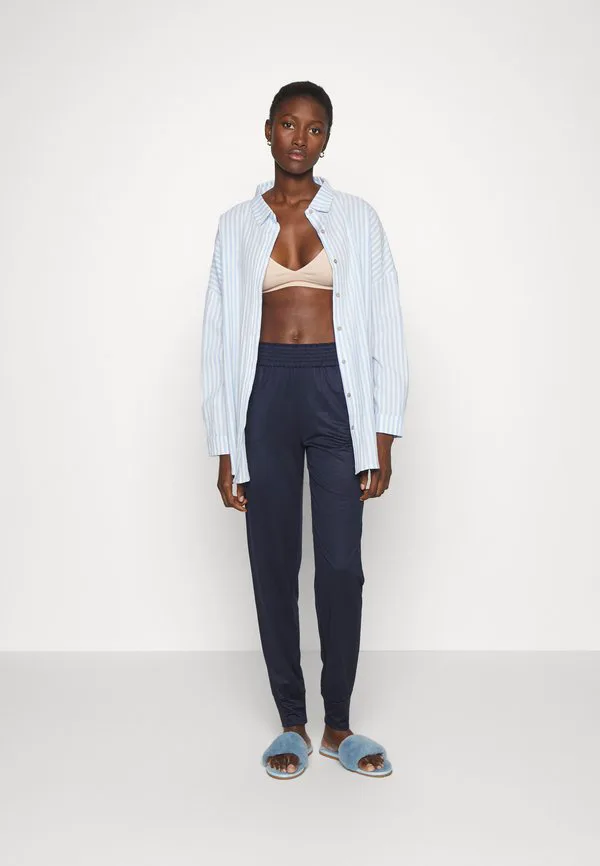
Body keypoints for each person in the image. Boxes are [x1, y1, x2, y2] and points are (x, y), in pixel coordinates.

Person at [201, 81, 409, 779]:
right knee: (272, 563)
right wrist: (225, 445)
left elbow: (385, 322)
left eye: (314, 128)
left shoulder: (357, 219)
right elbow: (218, 337)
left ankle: (339, 725)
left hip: (335, 393)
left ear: (326, 140)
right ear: (268, 130)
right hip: (264, 395)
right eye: (288, 124)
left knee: (342, 566)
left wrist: (383, 433)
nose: (300, 138)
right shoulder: (236, 225)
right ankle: (291, 722)